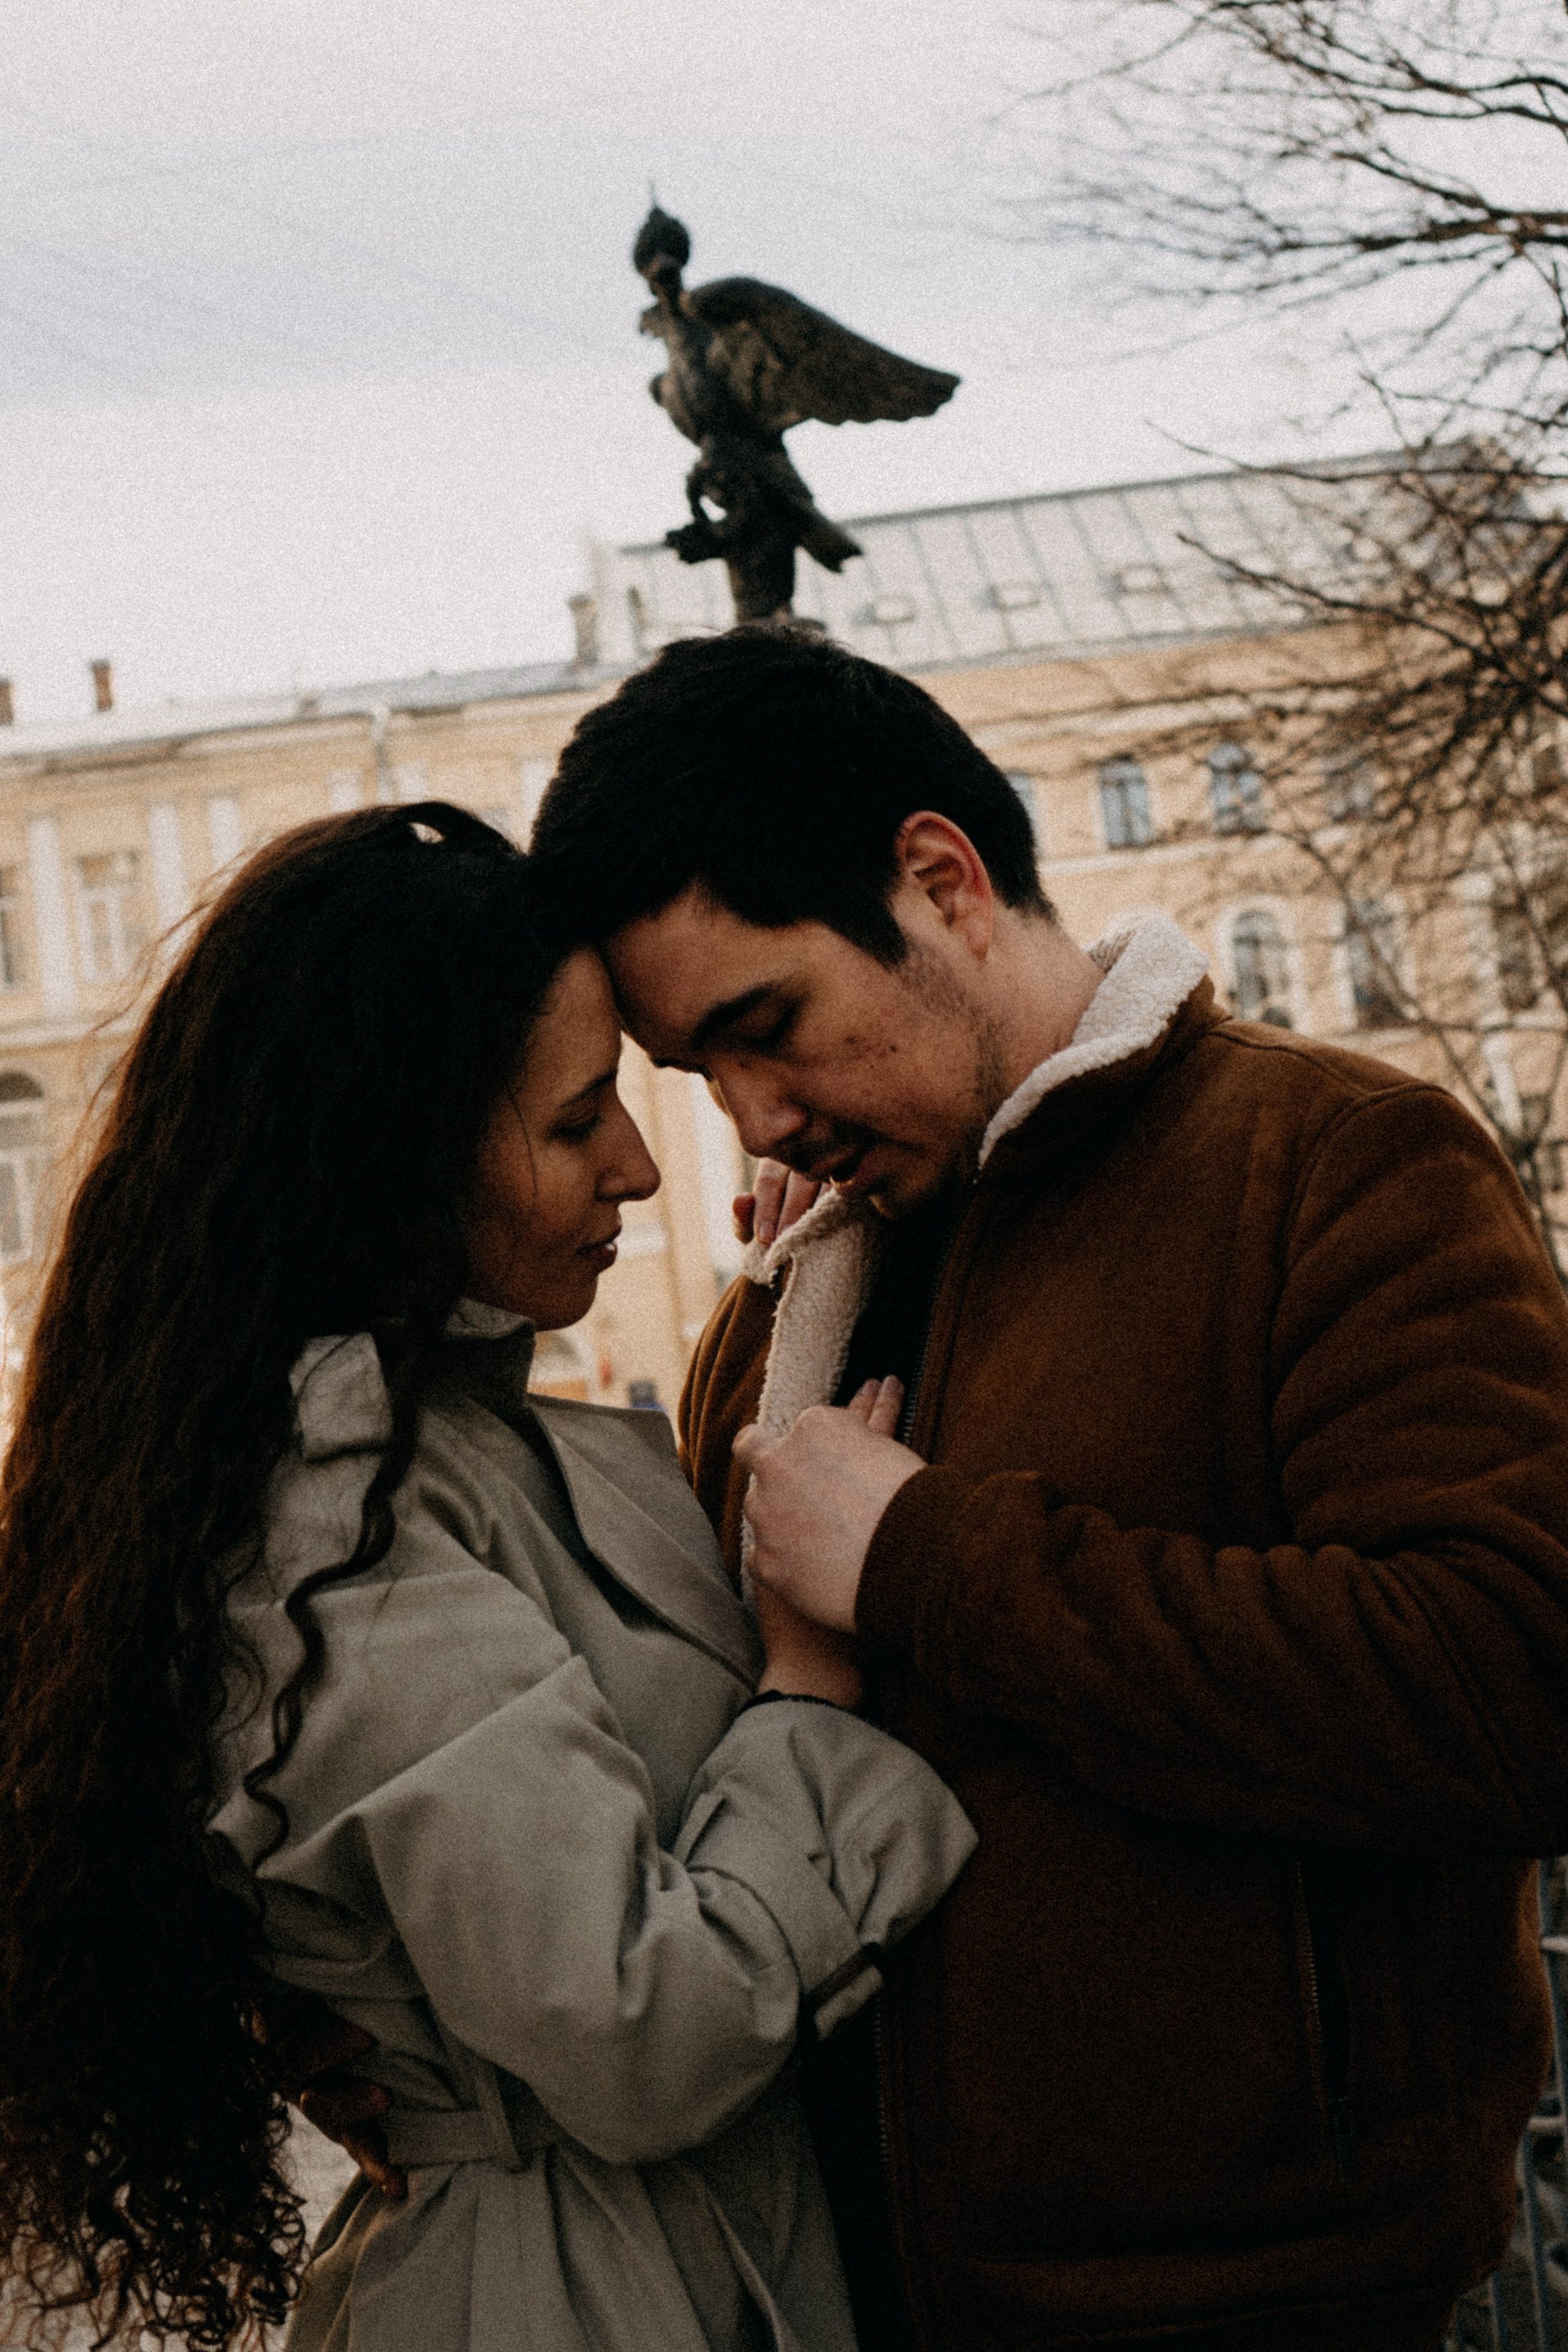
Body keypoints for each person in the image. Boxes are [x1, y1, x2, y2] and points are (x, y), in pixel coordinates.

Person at [524, 624, 1568, 2352]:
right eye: (701, 1073)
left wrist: (932, 1562)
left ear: (937, 879)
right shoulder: (788, 1303)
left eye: (767, 1028)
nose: (752, 1118)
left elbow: (1521, 1680)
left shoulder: (1335, 1168)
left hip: (1272, 2309)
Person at [0, 804, 975, 2352]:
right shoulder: (337, 1523)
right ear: (397, 1155)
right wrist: (807, 1677)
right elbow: (643, 2030)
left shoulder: (466, 1451)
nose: (642, 1169)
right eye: (578, 1119)